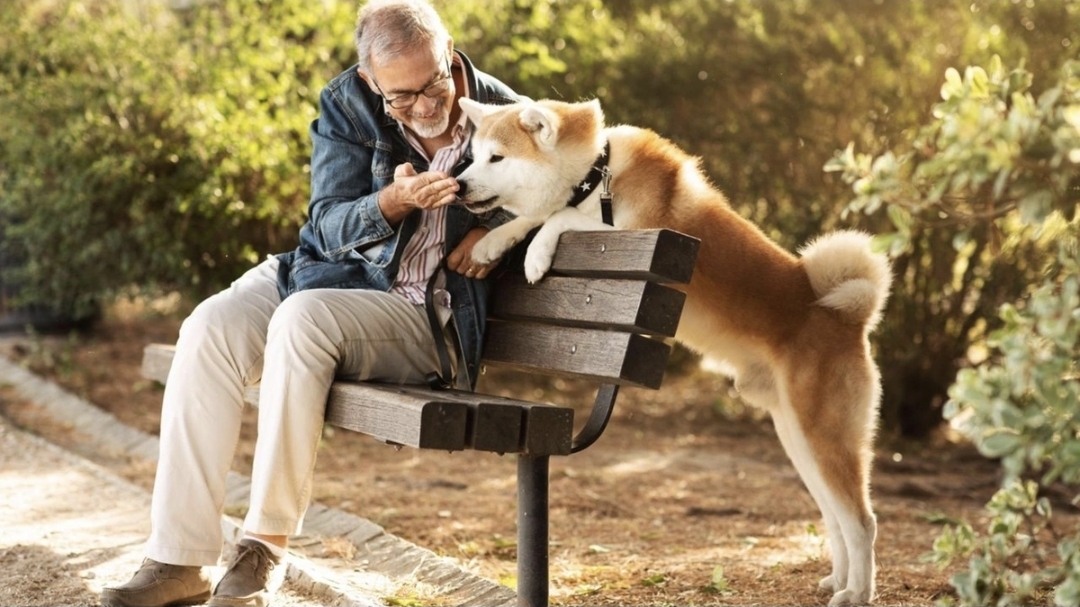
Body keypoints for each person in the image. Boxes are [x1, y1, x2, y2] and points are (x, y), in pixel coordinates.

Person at [101, 1, 523, 605]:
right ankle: (178, 558)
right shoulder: (346, 103)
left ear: (449, 52)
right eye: (401, 98)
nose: (426, 106)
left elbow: (566, 187)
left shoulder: (507, 114)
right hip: (322, 274)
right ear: (372, 81)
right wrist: (391, 204)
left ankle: (263, 548)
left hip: (418, 310)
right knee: (208, 327)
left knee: (302, 317)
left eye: (433, 83)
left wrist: (497, 230)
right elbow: (322, 227)